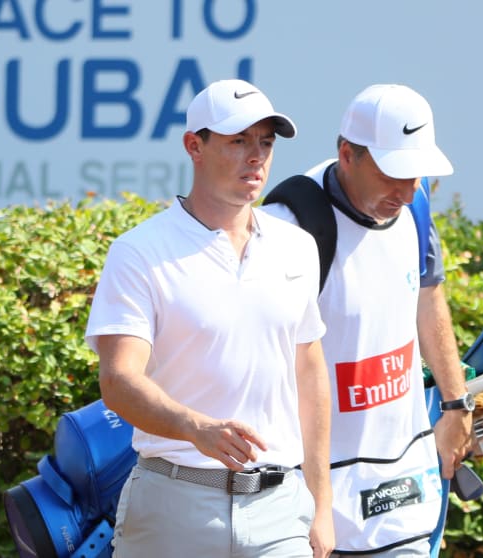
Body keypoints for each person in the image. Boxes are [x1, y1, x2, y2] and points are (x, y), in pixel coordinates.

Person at [85, 78, 335, 558]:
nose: (256, 156)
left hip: (280, 512)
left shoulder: (298, 247)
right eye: (238, 141)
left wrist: (322, 504)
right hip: (172, 507)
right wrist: (195, 428)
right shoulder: (139, 252)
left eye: (265, 142)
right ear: (193, 146)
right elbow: (117, 380)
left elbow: (310, 373)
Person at [261, 84, 473, 556]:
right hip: (315, 497)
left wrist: (457, 405)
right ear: (347, 154)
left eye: (416, 173)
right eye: (393, 174)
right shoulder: (289, 223)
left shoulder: (413, 205)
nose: (407, 190)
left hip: (406, 486)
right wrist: (313, 500)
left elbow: (428, 298)